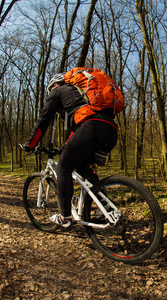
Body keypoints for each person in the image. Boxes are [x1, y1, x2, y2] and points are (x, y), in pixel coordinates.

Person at [22, 73, 118, 227]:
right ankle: (105, 206)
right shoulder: (82, 96)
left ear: (54, 85)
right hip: (110, 129)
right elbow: (79, 129)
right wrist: (66, 146)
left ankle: (65, 217)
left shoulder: (57, 91)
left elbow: (44, 119)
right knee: (84, 171)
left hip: (92, 128)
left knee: (63, 168)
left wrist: (31, 144)